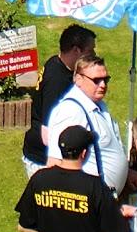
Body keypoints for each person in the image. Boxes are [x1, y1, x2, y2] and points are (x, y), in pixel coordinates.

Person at [22, 24, 99, 232]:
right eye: (90, 50)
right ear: (76, 50)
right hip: (43, 159)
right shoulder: (58, 80)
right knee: (47, 223)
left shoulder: (58, 67)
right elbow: (48, 133)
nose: (94, 54)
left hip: (42, 156)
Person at [45, 54, 129, 197]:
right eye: (96, 80)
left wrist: (128, 173)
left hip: (105, 200)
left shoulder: (99, 105)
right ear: (78, 79)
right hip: (89, 203)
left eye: (105, 79)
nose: (103, 85)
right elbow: (55, 163)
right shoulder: (71, 111)